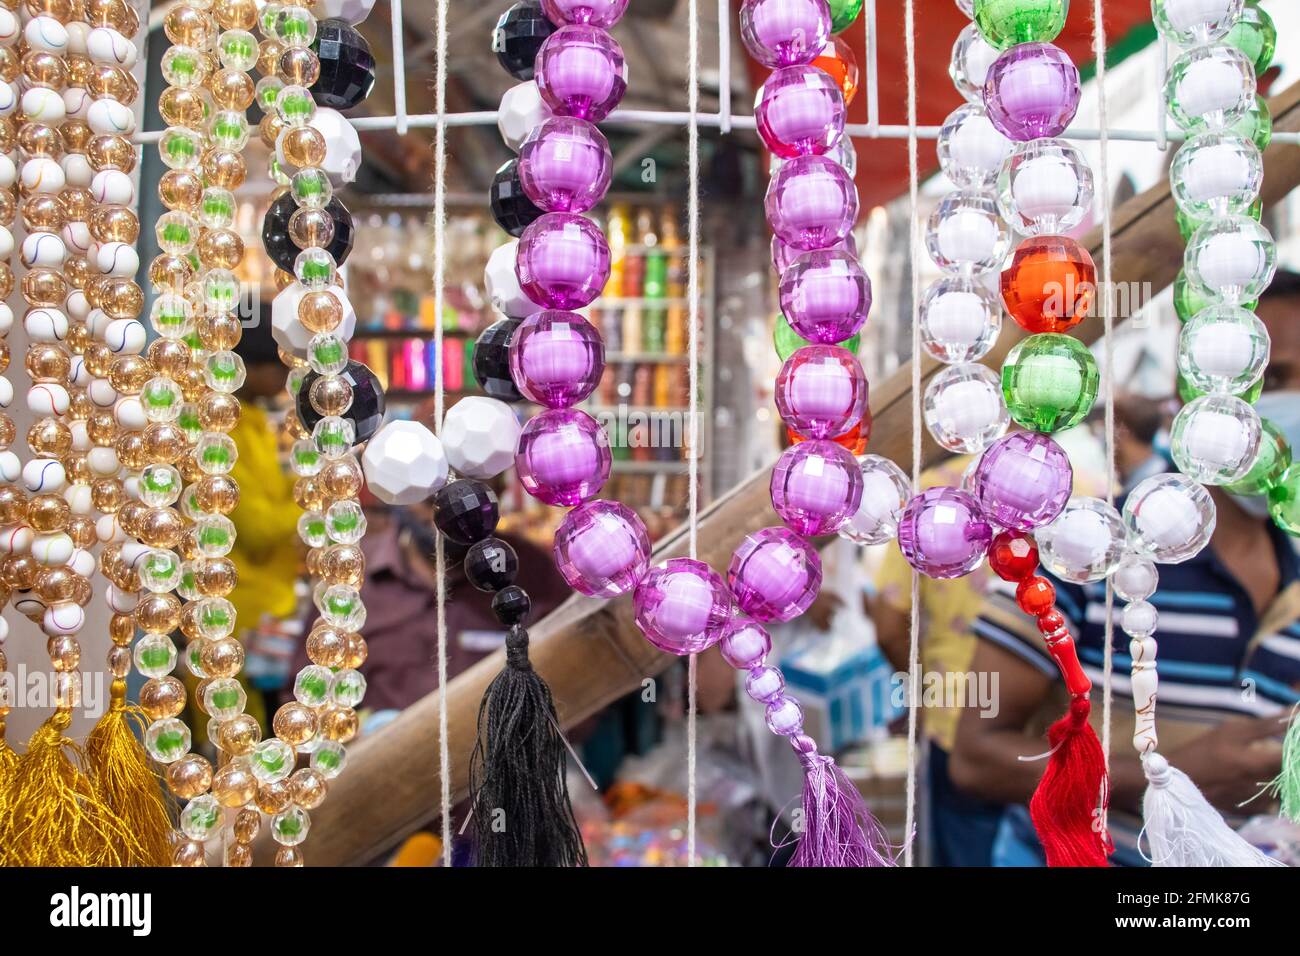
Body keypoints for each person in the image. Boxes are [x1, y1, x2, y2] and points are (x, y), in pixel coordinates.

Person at [950, 271, 1300, 866]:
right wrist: (1174, 772)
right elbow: (977, 758)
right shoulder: (1084, 547)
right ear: (1190, 387)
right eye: (1277, 380)